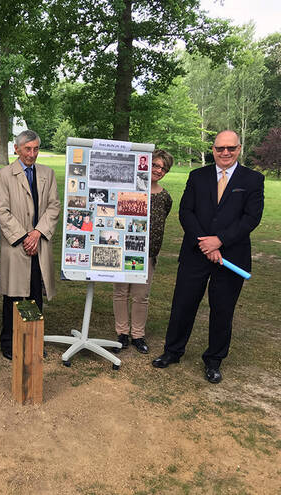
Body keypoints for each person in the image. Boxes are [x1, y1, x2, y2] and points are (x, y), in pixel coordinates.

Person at [151, 130, 264, 384]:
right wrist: (206, 244)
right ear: (213, 149)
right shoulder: (197, 176)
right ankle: (172, 351)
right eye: (220, 148)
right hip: (196, 252)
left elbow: (251, 218)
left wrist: (220, 241)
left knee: (222, 310)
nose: (225, 152)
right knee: (183, 305)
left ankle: (214, 360)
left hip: (231, 257)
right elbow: (186, 212)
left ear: (239, 149)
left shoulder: (253, 179)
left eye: (231, 148)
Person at [0, 130, 61, 360]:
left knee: (34, 294)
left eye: (35, 149)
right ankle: (9, 341)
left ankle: (33, 339)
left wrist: (37, 233)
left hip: (38, 243)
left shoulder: (47, 174)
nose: (32, 154)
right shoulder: (4, 175)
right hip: (16, 245)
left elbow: (53, 206)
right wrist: (25, 237)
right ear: (17, 149)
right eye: (27, 149)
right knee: (13, 294)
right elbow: (2, 211)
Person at [111, 149, 174, 355]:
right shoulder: (130, 190)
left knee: (141, 295)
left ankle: (138, 334)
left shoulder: (164, 197)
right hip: (124, 249)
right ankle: (122, 332)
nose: (158, 170)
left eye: (163, 168)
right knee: (121, 292)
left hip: (147, 253)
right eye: (155, 165)